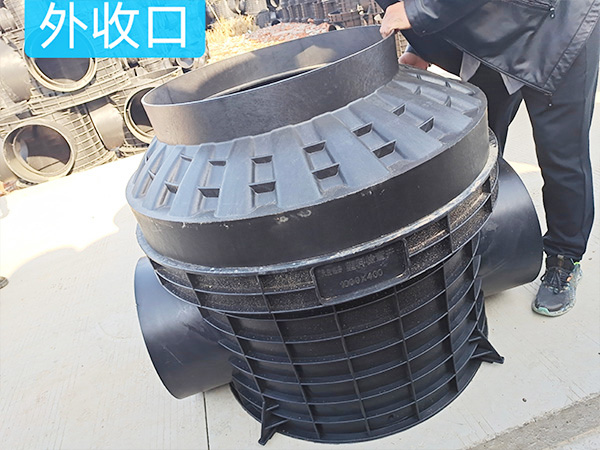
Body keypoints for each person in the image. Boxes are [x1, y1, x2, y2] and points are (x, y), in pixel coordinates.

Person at [377, 0, 599, 317]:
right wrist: (421, 44)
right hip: (490, 29)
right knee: (481, 146)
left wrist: (418, 11)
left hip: (556, 25)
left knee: (562, 156)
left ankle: (564, 259)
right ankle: (488, 240)